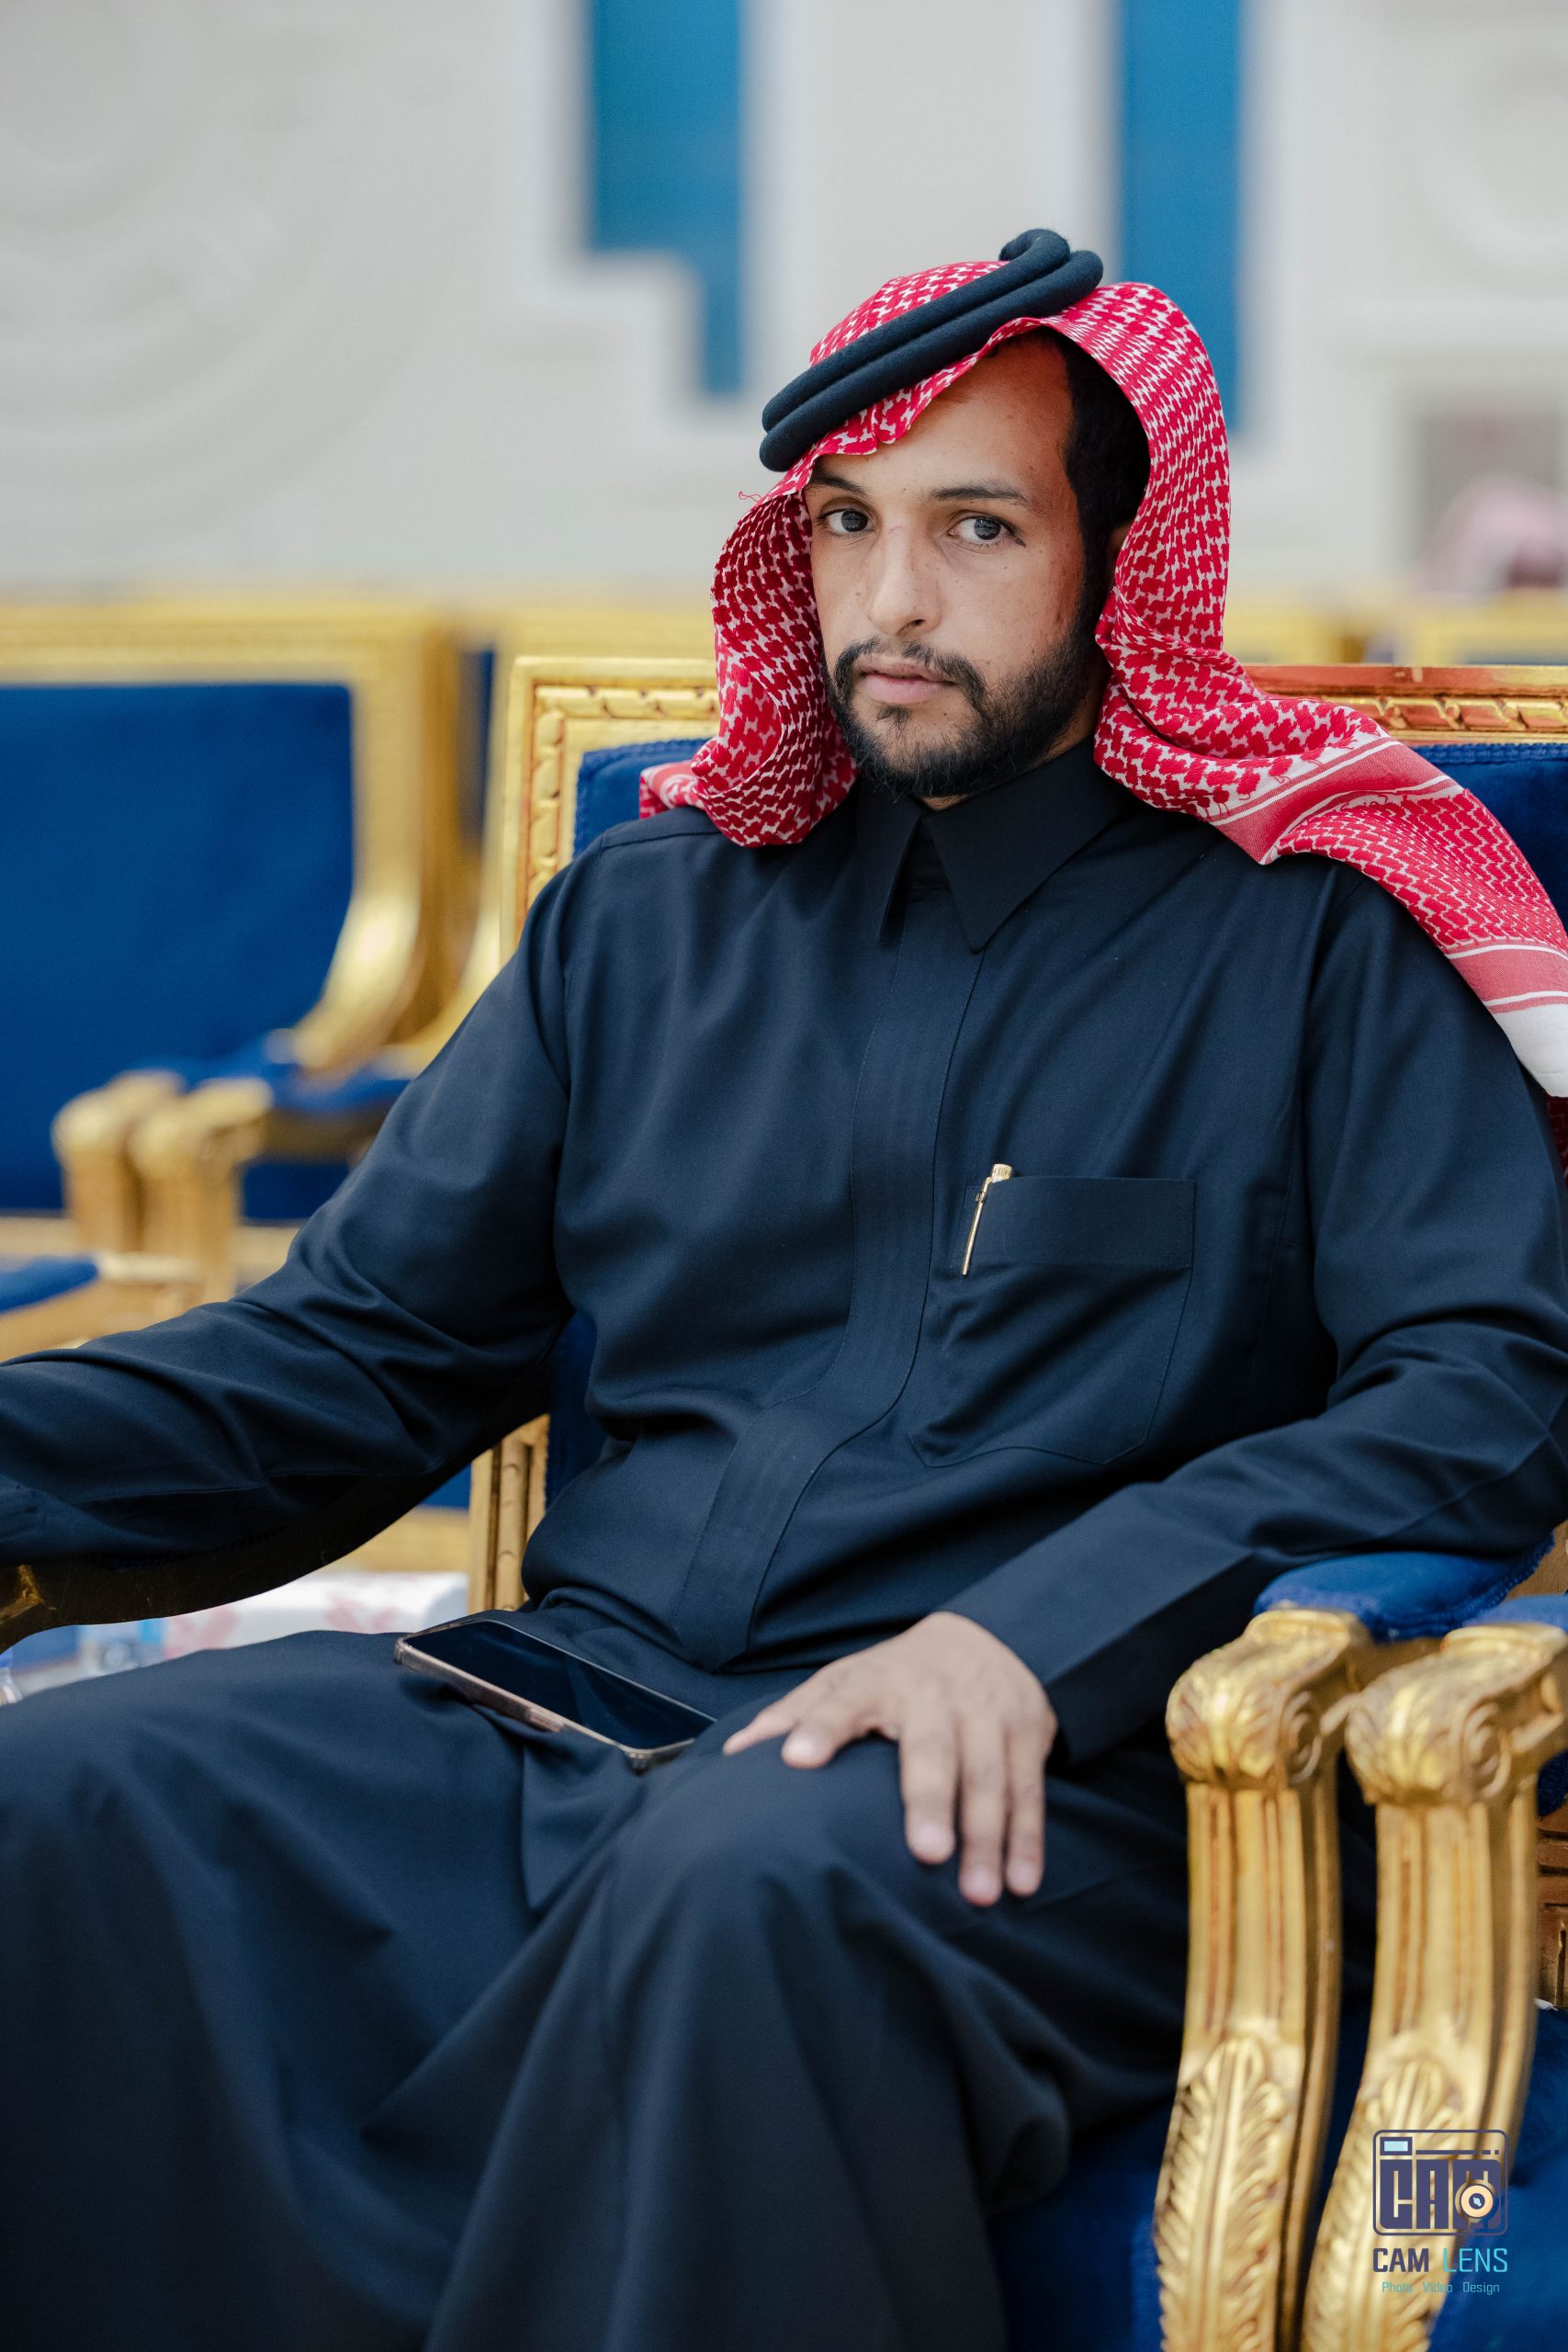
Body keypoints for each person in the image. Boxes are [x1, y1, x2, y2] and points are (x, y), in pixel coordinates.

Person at [5, 229, 1568, 2352]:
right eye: (843, 524)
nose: (890, 599)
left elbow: (1481, 1382)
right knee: (70, 1799)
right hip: (578, 1710)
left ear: (1116, 563)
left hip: (1055, 1781)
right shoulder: (643, 923)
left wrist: (1037, 1630)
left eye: (974, 527)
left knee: (737, 1885)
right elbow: (352, 1354)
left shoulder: (1307, 940)